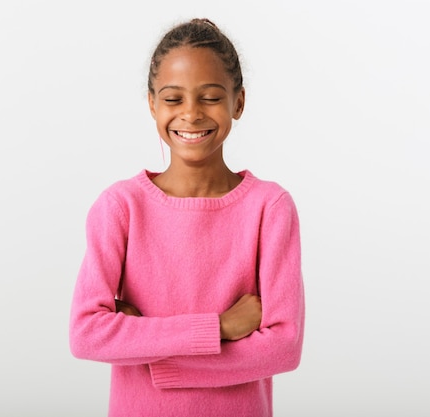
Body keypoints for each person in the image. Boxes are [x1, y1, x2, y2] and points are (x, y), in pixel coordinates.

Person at [69, 18, 304, 417]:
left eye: (210, 97)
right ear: (152, 104)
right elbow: (87, 334)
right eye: (174, 99)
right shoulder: (120, 207)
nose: (191, 114)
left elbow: (283, 347)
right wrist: (220, 329)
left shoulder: (270, 208)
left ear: (239, 102)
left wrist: (156, 354)